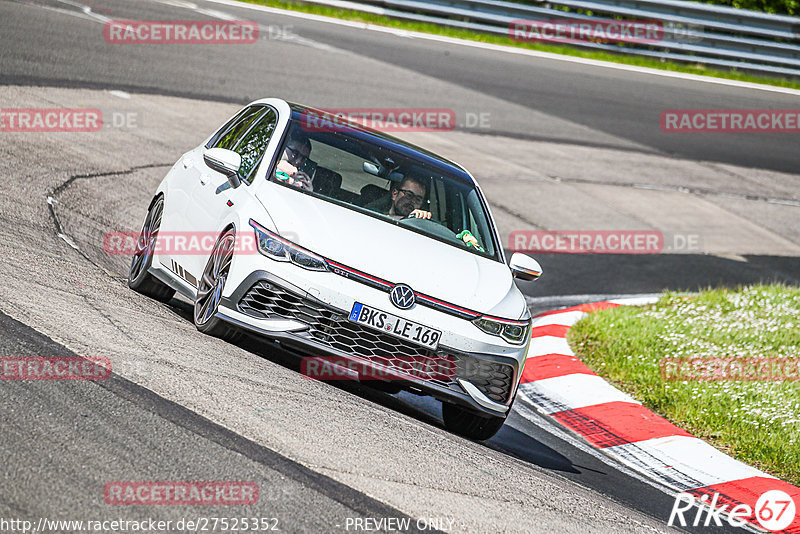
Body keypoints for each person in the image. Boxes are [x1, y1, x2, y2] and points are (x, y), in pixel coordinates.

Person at [367, 176, 432, 220]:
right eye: (409, 195)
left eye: (418, 199)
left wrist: (422, 219)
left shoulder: (421, 224)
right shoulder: (372, 214)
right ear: (394, 194)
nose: (413, 201)